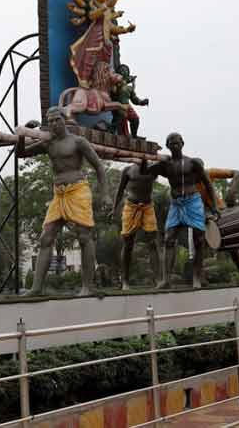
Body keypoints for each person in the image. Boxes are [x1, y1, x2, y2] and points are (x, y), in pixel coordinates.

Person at [15, 106, 110, 296]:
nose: (53, 123)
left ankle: (87, 287)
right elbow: (20, 153)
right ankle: (36, 288)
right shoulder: (47, 143)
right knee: (45, 238)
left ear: (63, 120)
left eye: (56, 119)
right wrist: (22, 134)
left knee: (84, 237)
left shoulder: (78, 141)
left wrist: (105, 193)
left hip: (78, 190)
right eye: (49, 121)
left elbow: (99, 166)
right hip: (58, 194)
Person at [145, 133, 219, 289]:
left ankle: (197, 278)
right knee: (169, 239)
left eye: (177, 142)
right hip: (176, 204)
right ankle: (166, 280)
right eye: (171, 143)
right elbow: (146, 171)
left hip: (193, 202)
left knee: (199, 239)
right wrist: (146, 156)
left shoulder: (193, 163)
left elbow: (208, 184)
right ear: (167, 146)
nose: (174, 145)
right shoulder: (165, 165)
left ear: (182, 143)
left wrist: (214, 207)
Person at [110, 160, 162, 290]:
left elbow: (162, 164)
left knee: (152, 243)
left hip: (148, 207)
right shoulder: (128, 170)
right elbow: (120, 190)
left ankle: (159, 279)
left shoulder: (153, 170)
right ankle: (125, 281)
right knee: (128, 243)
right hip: (131, 206)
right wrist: (114, 208)